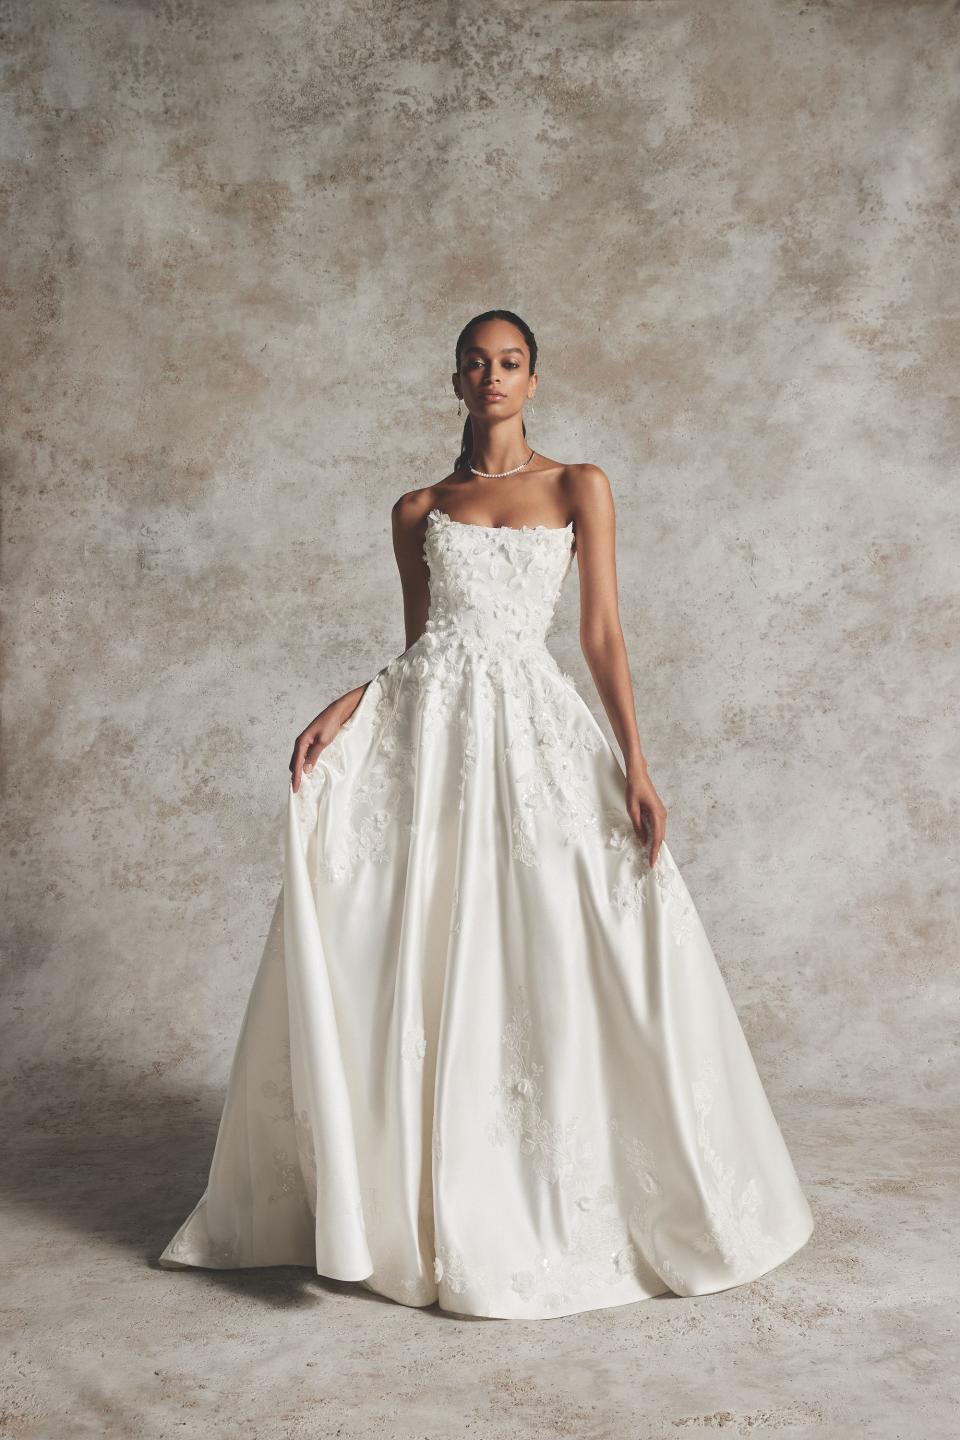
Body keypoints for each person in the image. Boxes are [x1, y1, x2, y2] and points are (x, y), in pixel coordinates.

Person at [159, 309, 814, 1320]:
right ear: (455, 381)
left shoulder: (577, 486)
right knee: (431, 940)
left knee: (566, 933)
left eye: (511, 362)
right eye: (477, 362)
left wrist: (638, 763)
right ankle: (413, 1186)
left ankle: (579, 1185)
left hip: (537, 734)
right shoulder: (417, 506)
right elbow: (421, 646)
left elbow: (600, 632)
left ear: (533, 380)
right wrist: (354, 703)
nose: (493, 376)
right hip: (437, 741)